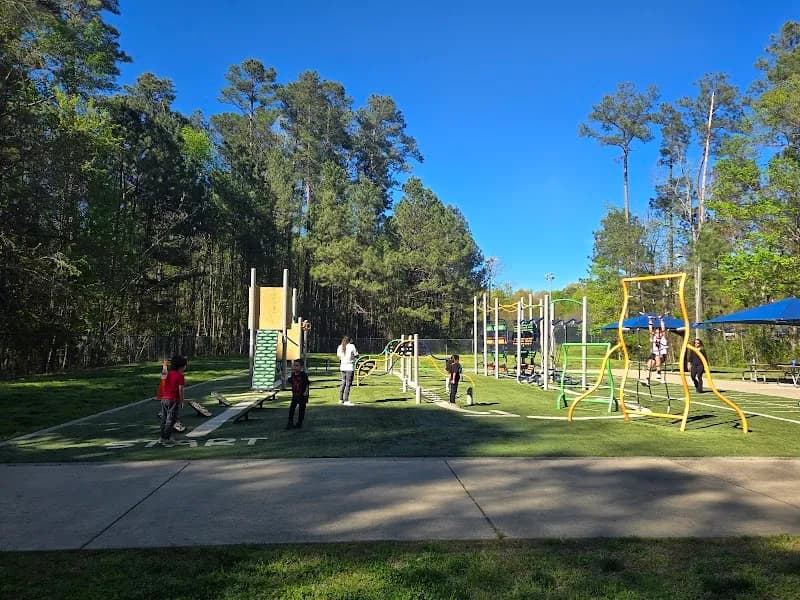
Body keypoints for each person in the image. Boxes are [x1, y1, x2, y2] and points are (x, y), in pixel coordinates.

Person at [159, 355, 187, 447]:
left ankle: (163, 436)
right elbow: (180, 390)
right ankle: (166, 438)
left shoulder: (168, 374)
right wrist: (182, 401)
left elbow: (163, 381)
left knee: (164, 419)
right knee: (171, 419)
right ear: (181, 366)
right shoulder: (180, 376)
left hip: (164, 399)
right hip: (173, 400)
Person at [286, 359, 310, 429]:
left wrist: (306, 392)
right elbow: (290, 380)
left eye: (297, 366)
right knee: (292, 408)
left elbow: (307, 384)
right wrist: (284, 379)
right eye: (294, 365)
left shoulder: (303, 375)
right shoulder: (293, 375)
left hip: (302, 395)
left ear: (301, 367)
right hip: (295, 395)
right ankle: (290, 422)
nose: (295, 367)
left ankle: (299, 423)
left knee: (301, 409)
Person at [337, 335, 358, 406]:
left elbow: (339, 356)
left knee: (343, 382)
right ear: (349, 340)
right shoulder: (352, 346)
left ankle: (341, 399)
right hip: (349, 367)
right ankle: (346, 400)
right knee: (348, 384)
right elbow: (356, 355)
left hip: (342, 367)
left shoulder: (340, 346)